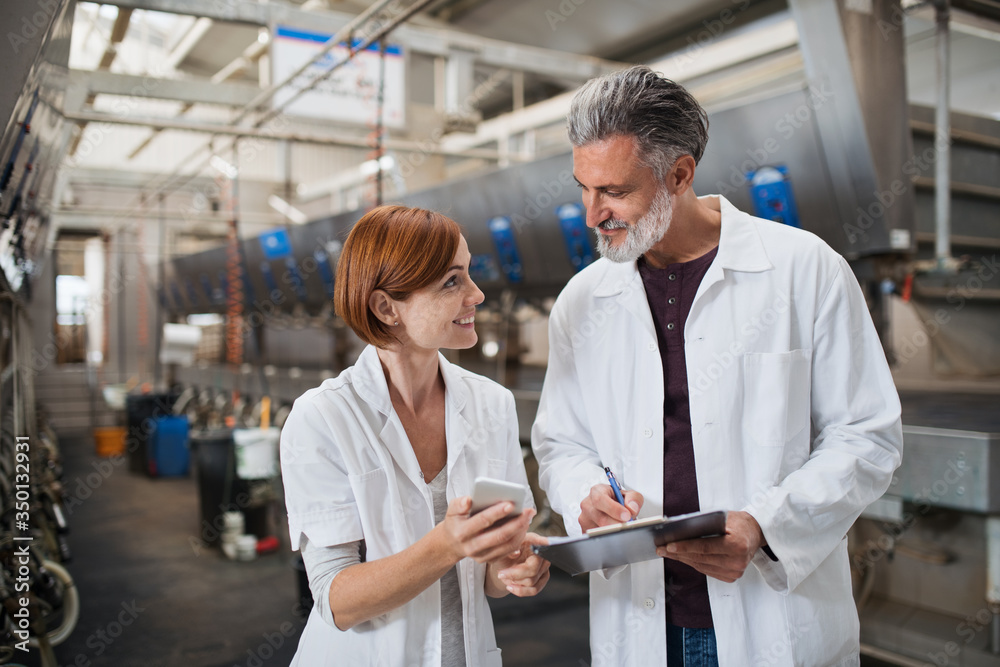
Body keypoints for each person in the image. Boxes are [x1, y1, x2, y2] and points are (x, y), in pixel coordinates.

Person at [531, 65, 903, 666]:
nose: (591, 213)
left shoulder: (802, 269)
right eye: (583, 187)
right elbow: (560, 442)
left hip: (771, 619)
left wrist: (763, 525)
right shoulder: (582, 300)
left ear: (679, 174)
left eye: (615, 191)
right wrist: (584, 492)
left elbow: (866, 436)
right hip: (640, 619)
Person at [281, 205, 550, 666]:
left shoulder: (493, 405)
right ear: (387, 307)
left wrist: (513, 566)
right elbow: (335, 601)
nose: (477, 294)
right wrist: (447, 544)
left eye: (469, 274)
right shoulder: (323, 416)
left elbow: (490, 574)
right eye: (452, 281)